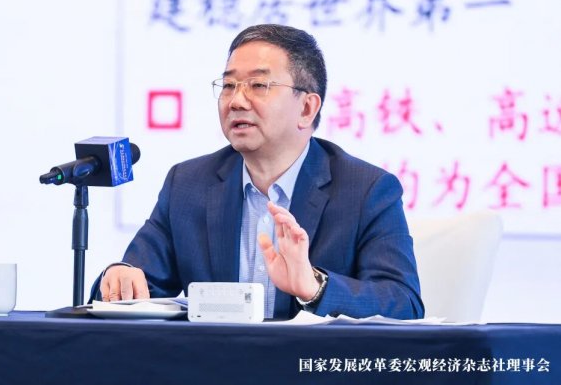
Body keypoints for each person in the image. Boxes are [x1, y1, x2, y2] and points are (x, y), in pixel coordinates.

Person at [100, 24, 424, 319]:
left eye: (258, 85)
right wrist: (121, 276)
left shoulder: (367, 190)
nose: (236, 101)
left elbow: (403, 303)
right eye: (229, 85)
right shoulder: (187, 184)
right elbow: (134, 287)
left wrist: (314, 287)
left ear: (307, 108)